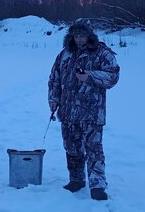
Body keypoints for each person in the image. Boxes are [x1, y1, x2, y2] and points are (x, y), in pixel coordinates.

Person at [48, 19, 120, 200]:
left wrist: (90, 75)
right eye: (76, 35)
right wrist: (53, 100)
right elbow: (54, 79)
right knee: (72, 148)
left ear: (89, 34)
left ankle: (98, 186)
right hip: (68, 112)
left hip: (92, 112)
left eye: (83, 35)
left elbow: (113, 76)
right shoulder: (64, 54)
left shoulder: (102, 53)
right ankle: (76, 179)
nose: (79, 39)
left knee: (94, 149)